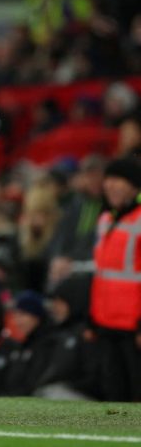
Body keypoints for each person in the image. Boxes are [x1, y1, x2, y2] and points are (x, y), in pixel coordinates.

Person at [89, 156, 141, 401]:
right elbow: (100, 274)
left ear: (134, 186)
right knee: (113, 394)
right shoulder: (105, 220)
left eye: (119, 179)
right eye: (109, 179)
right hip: (106, 323)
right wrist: (92, 319)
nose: (110, 185)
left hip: (133, 327)